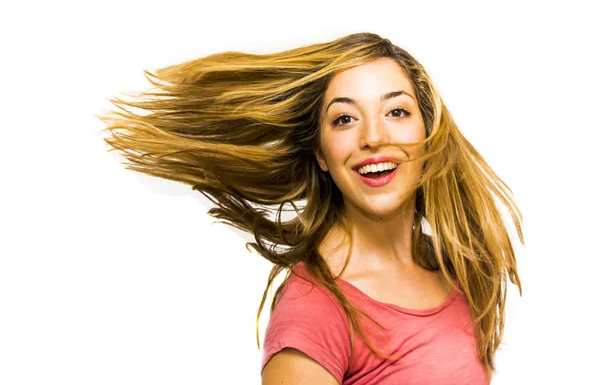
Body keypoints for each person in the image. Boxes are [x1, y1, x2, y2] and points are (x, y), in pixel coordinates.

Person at [96, 32, 524, 384]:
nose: (374, 137)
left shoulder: (454, 265)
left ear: (427, 133)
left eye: (396, 111)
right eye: (344, 119)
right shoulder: (315, 311)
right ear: (321, 154)